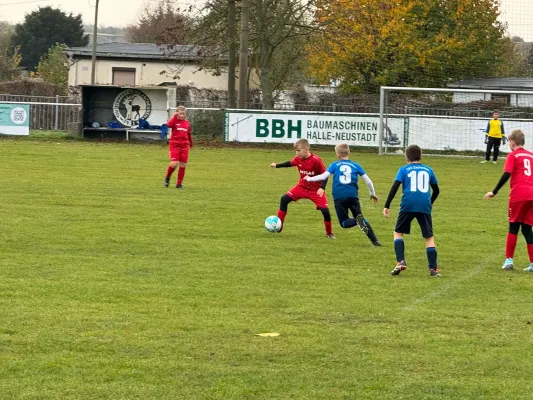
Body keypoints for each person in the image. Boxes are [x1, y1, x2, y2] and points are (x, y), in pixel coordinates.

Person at [303, 143, 381, 246]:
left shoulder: (334, 165)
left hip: (339, 198)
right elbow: (368, 181)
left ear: (337, 154)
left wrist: (309, 178)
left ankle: (358, 220)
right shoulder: (356, 165)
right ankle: (375, 241)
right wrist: (372, 193)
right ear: (349, 152)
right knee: (360, 218)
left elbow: (323, 176)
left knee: (344, 223)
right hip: (353, 196)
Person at [383, 144, 441, 277]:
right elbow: (436, 190)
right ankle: (433, 269)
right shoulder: (428, 169)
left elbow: (395, 187)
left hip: (407, 204)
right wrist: (429, 203)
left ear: (406, 158)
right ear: (421, 156)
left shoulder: (403, 170)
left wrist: (387, 205)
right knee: (429, 237)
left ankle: (401, 261)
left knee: (398, 232)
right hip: (424, 206)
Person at [484, 129, 533, 272]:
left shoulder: (513, 155)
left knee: (513, 227)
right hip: (532, 195)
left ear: (512, 143)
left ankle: (509, 260)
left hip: (519, 195)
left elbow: (507, 173)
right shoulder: (531, 156)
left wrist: (494, 191)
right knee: (527, 229)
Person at [270, 138, 335, 239]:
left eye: (299, 151)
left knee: (325, 211)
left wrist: (322, 188)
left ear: (306, 149)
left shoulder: (316, 160)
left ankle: (329, 233)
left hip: (315, 190)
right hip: (301, 187)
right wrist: (276, 165)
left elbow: (325, 174)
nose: (297, 153)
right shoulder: (298, 159)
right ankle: (279, 226)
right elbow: (289, 163)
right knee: (284, 199)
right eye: (296, 151)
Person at [164, 106, 193, 188]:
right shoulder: (174, 121)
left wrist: (190, 143)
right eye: (180, 113)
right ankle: (167, 177)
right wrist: (174, 116)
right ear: (177, 114)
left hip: (184, 145)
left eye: (183, 114)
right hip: (174, 144)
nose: (182, 115)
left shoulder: (187, 123)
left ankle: (179, 184)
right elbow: (168, 125)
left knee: (183, 164)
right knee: (174, 164)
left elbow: (188, 134)